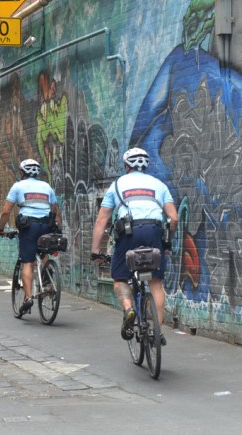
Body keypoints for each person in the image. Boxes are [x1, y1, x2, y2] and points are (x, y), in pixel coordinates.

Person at [90, 147, 178, 344]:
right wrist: (167, 242)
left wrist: (96, 250)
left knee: (120, 278)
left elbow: (101, 220)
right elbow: (173, 218)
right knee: (156, 283)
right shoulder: (159, 185)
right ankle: (157, 332)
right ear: (146, 165)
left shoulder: (117, 185)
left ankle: (129, 307)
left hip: (128, 233)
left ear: (126, 165)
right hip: (154, 232)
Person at [0, 158, 62, 314]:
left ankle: (28, 298)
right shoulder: (47, 187)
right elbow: (56, 211)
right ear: (37, 173)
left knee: (27, 262)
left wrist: (0, 229)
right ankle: (47, 282)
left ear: (21, 173)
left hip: (29, 227)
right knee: (44, 253)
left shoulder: (18, 186)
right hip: (46, 225)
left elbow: (6, 211)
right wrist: (58, 230)